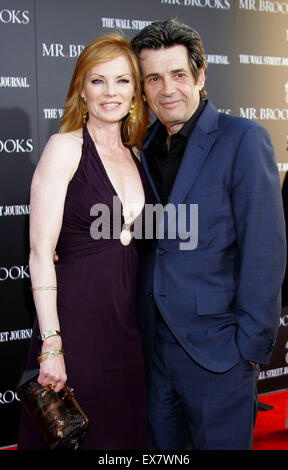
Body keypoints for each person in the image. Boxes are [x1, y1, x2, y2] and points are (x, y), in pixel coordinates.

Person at [131, 19, 287, 450]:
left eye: (179, 75)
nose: (167, 90)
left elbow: (264, 249)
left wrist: (248, 351)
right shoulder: (141, 147)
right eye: (154, 78)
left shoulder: (243, 139)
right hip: (154, 352)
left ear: (200, 76)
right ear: (143, 89)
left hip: (219, 355)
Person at [17, 33, 152, 450]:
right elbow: (40, 253)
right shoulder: (64, 148)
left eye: (122, 80)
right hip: (74, 327)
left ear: (135, 91)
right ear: (81, 89)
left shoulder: (138, 154)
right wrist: (51, 345)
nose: (111, 92)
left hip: (126, 330)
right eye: (98, 81)